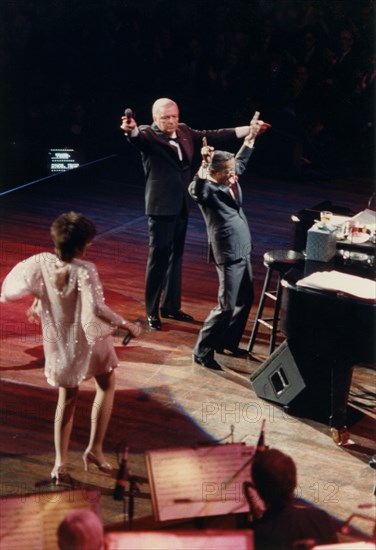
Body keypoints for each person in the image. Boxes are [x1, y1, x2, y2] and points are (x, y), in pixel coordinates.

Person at [0, 212, 141, 484]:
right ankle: (94, 450)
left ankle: (59, 464)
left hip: (61, 340)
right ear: (80, 246)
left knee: (67, 399)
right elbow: (97, 308)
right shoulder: (84, 270)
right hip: (90, 338)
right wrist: (127, 325)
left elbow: (30, 285)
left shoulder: (42, 262)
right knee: (106, 385)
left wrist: (39, 301)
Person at [120, 97, 256, 331]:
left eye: (174, 116)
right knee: (158, 258)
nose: (172, 122)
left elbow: (214, 134)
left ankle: (171, 306)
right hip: (161, 208)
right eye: (166, 118)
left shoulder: (183, 131)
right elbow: (136, 138)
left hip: (182, 203)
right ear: (155, 118)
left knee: (176, 256)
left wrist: (248, 130)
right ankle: (152, 311)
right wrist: (130, 131)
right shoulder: (147, 134)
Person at [188, 112, 267, 371]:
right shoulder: (206, 189)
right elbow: (197, 188)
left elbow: (241, 161)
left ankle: (228, 342)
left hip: (243, 244)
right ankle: (202, 350)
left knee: (246, 297)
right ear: (216, 172)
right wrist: (201, 166)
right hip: (227, 249)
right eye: (230, 173)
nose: (236, 176)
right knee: (226, 304)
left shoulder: (229, 174)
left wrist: (252, 137)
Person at [249, 448, 337, 550]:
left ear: (259, 491)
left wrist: (260, 521)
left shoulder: (255, 534)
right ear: (294, 483)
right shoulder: (321, 519)